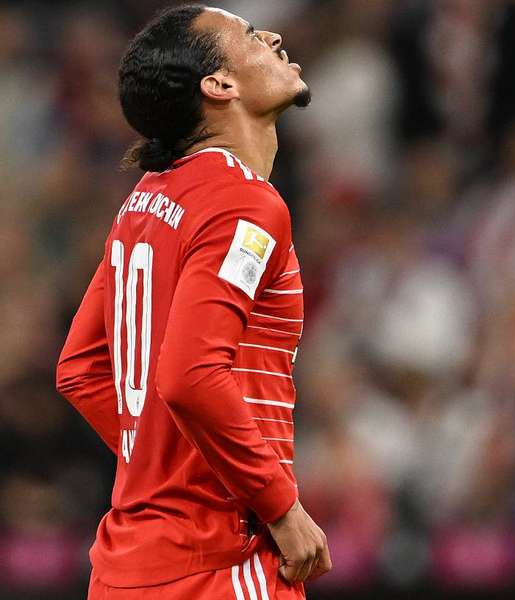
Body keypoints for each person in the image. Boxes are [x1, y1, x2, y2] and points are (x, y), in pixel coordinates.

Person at [55, 5, 331, 599]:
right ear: (219, 85)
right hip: (220, 564)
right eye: (253, 36)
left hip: (126, 569)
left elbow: (81, 369)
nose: (274, 36)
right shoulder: (245, 204)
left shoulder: (145, 201)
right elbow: (190, 374)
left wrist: (172, 466)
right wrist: (279, 507)